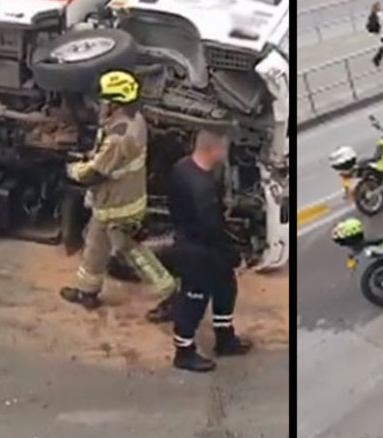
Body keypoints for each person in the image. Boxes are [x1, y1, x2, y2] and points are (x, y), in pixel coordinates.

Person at [59, 70, 177, 316]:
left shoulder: (120, 137)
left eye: (103, 100)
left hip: (119, 206)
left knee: (132, 252)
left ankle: (171, 296)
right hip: (112, 203)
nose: (99, 104)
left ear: (116, 102)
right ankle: (87, 292)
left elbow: (95, 172)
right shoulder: (134, 120)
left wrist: (72, 169)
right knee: (95, 246)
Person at [166, 128, 252, 372]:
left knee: (226, 287)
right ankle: (184, 351)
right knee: (193, 300)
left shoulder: (182, 167)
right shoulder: (202, 188)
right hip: (198, 252)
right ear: (213, 150)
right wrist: (232, 253)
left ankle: (225, 338)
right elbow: (211, 229)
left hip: (192, 242)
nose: (226, 152)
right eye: (224, 147)